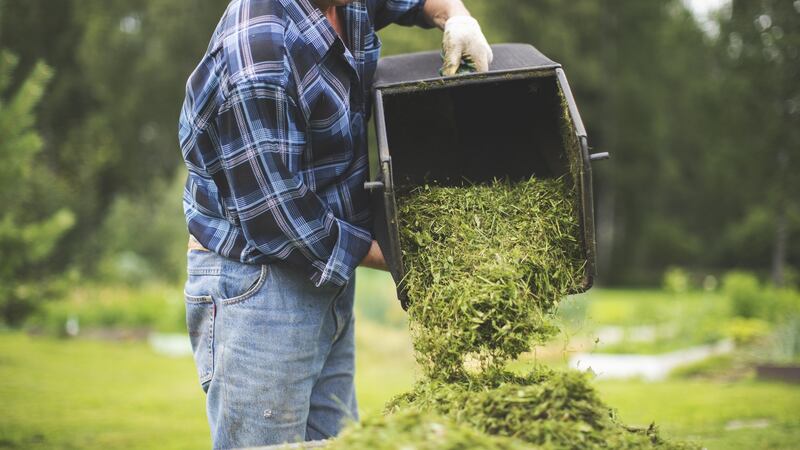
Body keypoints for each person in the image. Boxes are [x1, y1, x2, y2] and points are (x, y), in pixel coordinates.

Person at [178, 0, 492, 447]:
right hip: (260, 288)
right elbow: (278, 218)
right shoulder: (258, 53)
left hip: (327, 276)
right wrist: (411, 258)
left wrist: (456, 16)